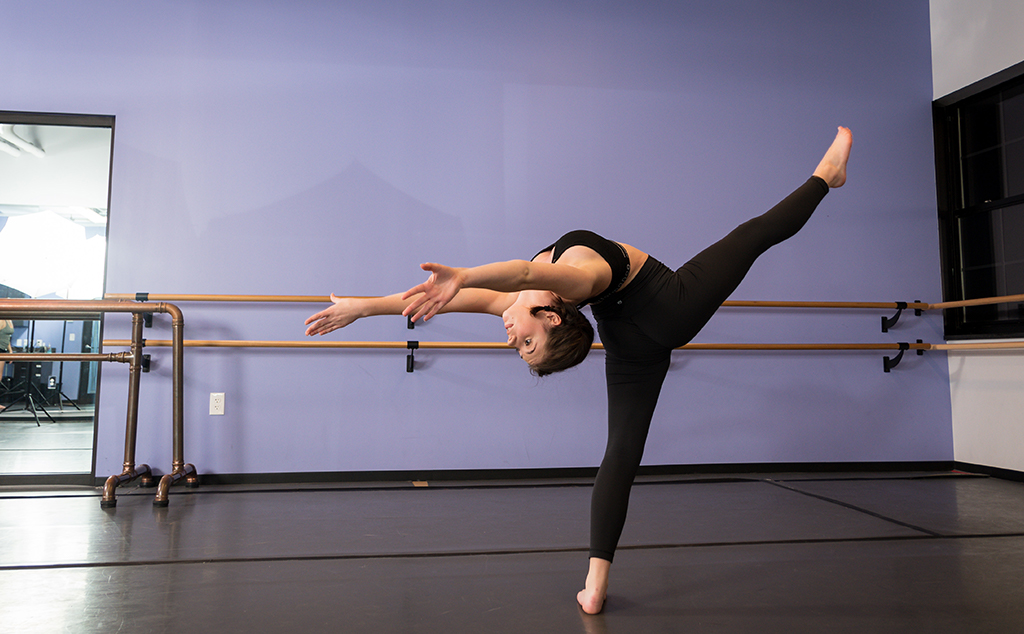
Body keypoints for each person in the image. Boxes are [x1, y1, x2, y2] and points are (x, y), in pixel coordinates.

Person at [306, 126, 853, 614]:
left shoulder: (523, 303)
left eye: (520, 348)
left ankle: (594, 587)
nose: (512, 338)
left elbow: (439, 301)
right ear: (548, 316)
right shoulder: (574, 281)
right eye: (526, 343)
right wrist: (467, 272)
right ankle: (825, 177)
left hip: (629, 339)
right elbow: (522, 270)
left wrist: (361, 305)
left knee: (620, 453)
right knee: (751, 236)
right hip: (670, 309)